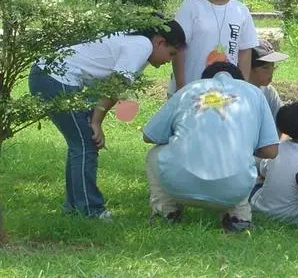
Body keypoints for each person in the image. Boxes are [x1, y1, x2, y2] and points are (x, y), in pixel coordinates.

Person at [28, 17, 186, 219]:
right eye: (171, 53)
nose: (169, 60)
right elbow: (115, 87)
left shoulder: (137, 43)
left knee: (81, 143)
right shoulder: (141, 46)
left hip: (49, 76)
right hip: (53, 79)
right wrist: (95, 122)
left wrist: (94, 118)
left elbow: (105, 88)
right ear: (159, 42)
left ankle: (74, 207)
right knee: (85, 143)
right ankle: (90, 211)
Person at [144, 62, 279, 233]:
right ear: (240, 80)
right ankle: (239, 219)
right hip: (233, 190)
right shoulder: (255, 93)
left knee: (154, 155)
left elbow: (149, 136)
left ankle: (166, 213)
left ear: (205, 80)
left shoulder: (189, 89)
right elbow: (271, 151)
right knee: (245, 159)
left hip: (178, 185)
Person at [169, 0, 258, 95]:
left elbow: (245, 50)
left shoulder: (241, 10)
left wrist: (243, 87)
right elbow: (178, 48)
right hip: (192, 89)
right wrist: (181, 86)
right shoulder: (191, 6)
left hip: (227, 92)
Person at [250, 102, 298, 224]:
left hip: (261, 210)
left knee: (259, 183)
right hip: (297, 216)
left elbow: (263, 170)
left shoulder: (276, 149)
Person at [248, 39, 288, 119]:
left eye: (273, 66)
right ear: (249, 68)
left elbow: (281, 123)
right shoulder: (239, 95)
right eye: (265, 67)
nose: (271, 71)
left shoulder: (268, 91)